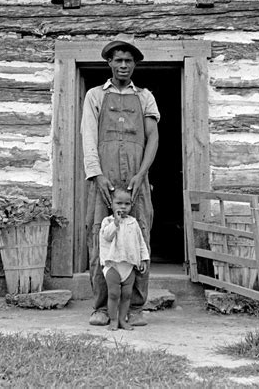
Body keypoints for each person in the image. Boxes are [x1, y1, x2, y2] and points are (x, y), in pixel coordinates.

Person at [81, 40, 159, 326]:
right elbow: (88, 137)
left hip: (137, 180)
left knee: (140, 240)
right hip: (105, 179)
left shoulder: (146, 97)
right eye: (118, 60)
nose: (123, 65)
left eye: (128, 60)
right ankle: (102, 308)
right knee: (100, 240)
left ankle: (136, 308)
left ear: (135, 64)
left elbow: (153, 138)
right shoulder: (95, 96)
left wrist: (142, 174)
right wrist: (97, 174)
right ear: (110, 63)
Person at [100, 187, 150, 331]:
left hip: (128, 265)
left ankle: (122, 319)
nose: (123, 207)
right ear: (111, 204)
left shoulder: (133, 222)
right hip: (112, 264)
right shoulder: (107, 221)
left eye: (127, 204)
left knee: (127, 294)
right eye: (119, 203)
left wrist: (143, 259)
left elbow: (140, 242)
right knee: (114, 294)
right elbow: (107, 236)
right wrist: (115, 222)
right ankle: (113, 319)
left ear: (131, 205)